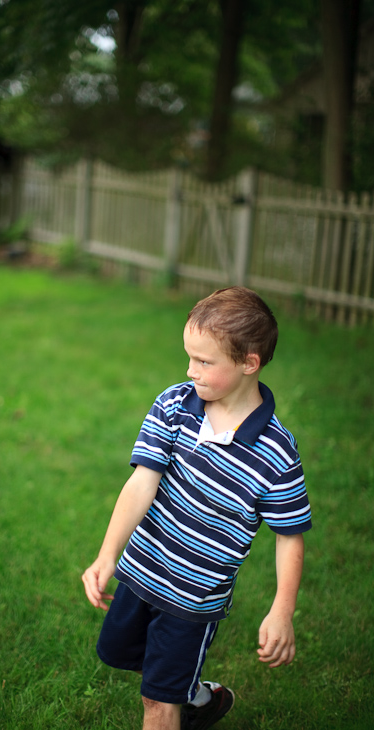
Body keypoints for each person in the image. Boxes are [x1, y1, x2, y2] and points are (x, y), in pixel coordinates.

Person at [82, 286, 312, 730]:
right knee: (124, 656)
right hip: (141, 570)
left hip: (193, 598)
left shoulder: (276, 452)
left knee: (156, 700)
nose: (191, 371)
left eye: (205, 362)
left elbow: (289, 535)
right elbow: (141, 483)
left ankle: (178, 700)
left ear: (250, 363)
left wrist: (282, 610)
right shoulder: (174, 405)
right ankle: (202, 698)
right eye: (189, 357)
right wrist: (108, 554)